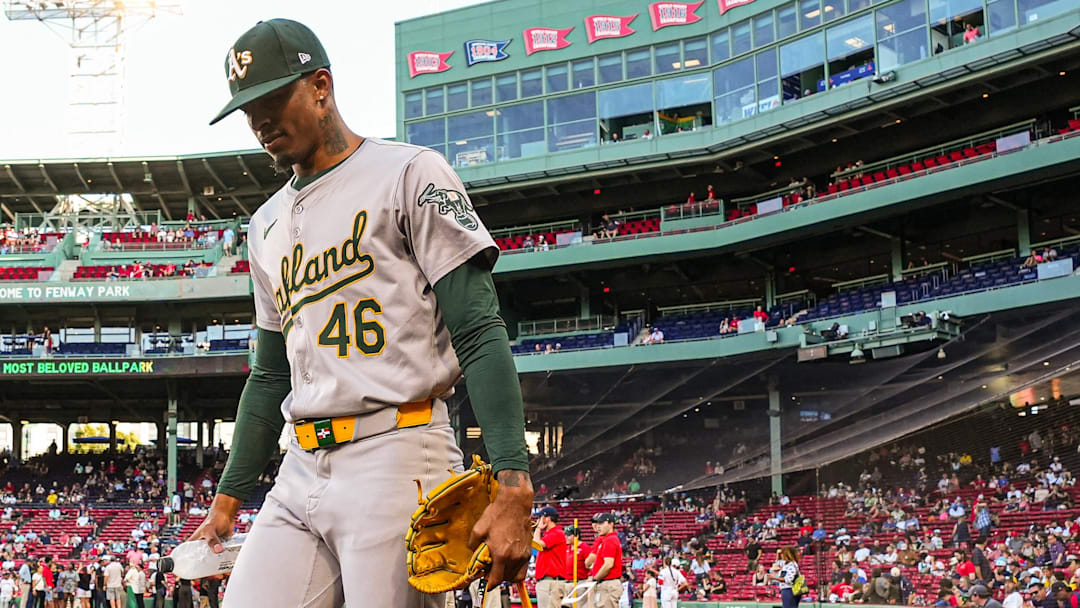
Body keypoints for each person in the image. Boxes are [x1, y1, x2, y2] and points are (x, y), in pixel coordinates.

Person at [192, 19, 533, 608]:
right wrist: (226, 503)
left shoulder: (409, 173)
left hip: (397, 450)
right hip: (300, 466)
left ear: (320, 85)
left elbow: (478, 331)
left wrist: (514, 482)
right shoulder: (264, 225)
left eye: (272, 100)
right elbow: (271, 374)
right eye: (248, 111)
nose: (260, 123)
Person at [585, 513, 624, 608]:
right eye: (598, 523)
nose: (598, 526)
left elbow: (608, 565)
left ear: (611, 524)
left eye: (602, 523)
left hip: (608, 583)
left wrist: (594, 579)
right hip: (604, 583)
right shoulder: (606, 539)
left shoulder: (610, 539)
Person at [533, 506, 567, 608]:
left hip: (550, 582)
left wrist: (538, 528)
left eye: (540, 518)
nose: (537, 521)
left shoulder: (557, 533)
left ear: (547, 519)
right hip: (548, 581)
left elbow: (536, 544)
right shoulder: (552, 534)